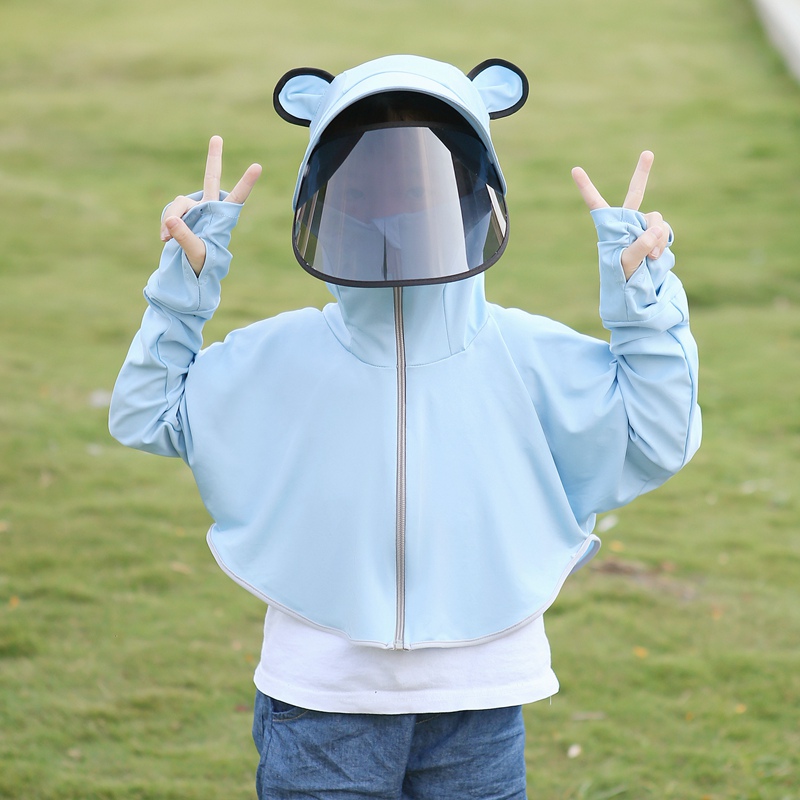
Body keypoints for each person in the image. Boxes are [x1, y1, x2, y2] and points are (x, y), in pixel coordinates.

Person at [109, 55, 701, 800]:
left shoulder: (522, 351)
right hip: (323, 704)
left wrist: (643, 303)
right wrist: (183, 292)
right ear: (328, 195)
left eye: (420, 178)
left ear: (470, 191)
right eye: (372, 180)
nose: (397, 205)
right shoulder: (281, 352)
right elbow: (145, 414)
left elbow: (661, 435)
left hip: (478, 706)